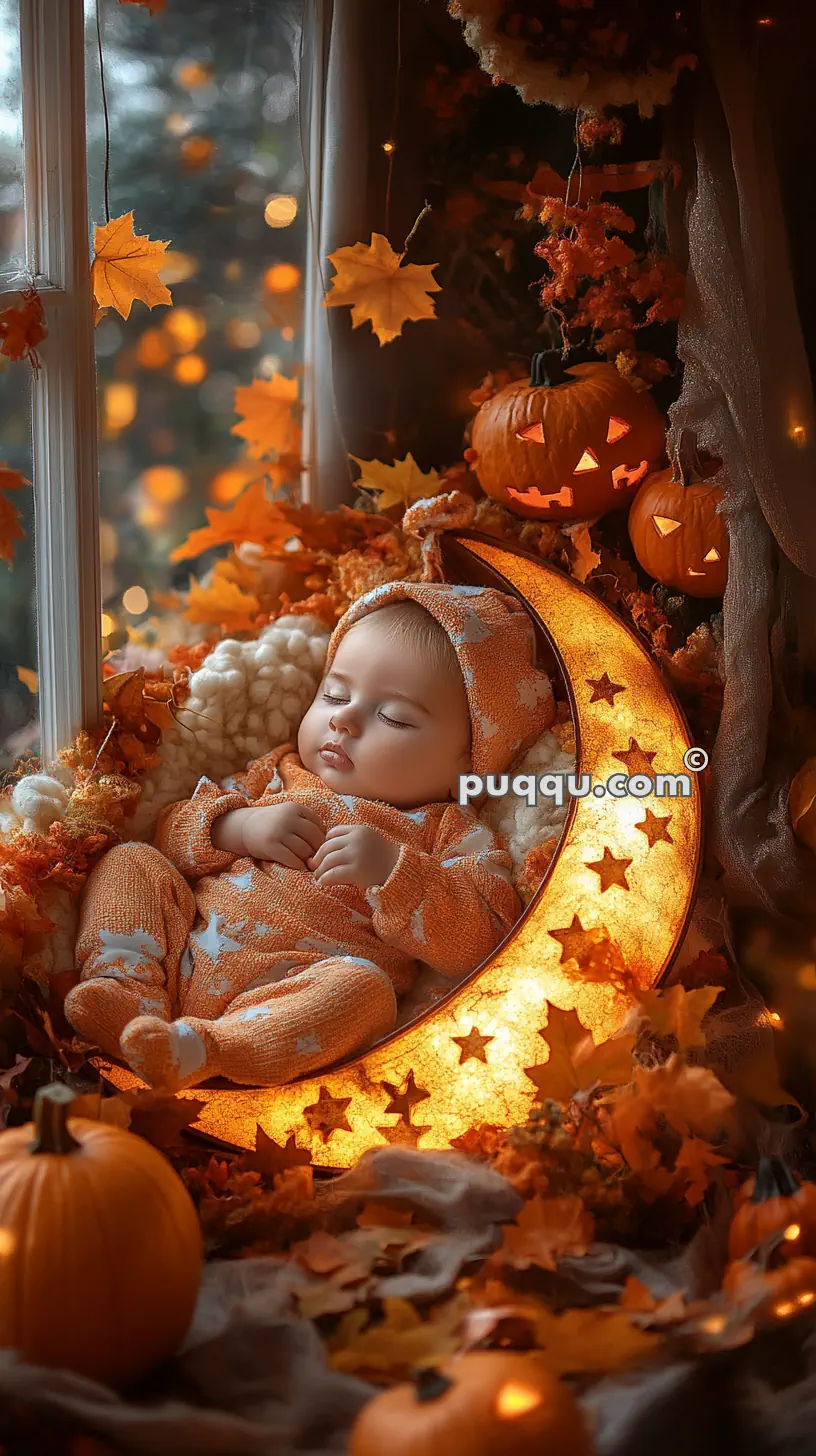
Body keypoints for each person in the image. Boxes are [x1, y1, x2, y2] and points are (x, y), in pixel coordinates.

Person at [64, 580, 554, 1090]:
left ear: (470, 762)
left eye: (394, 717)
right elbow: (173, 829)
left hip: (291, 998)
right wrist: (237, 827)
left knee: (365, 991)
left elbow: (486, 936)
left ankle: (215, 1049)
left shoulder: (448, 832)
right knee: (133, 861)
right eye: (335, 694)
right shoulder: (279, 772)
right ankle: (126, 991)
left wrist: (395, 871)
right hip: (181, 952)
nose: (343, 719)